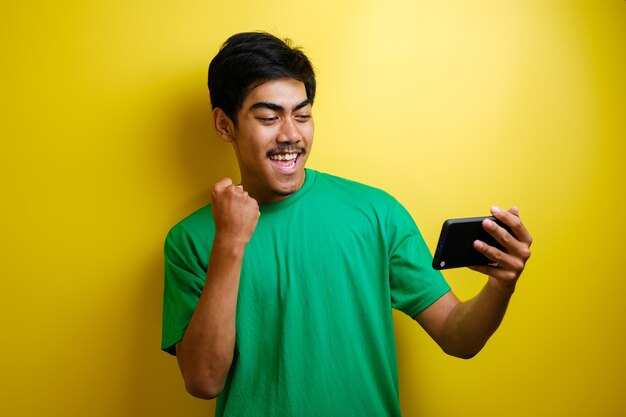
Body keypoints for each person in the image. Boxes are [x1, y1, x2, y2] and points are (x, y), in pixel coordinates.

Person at [161, 31, 532, 416]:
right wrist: (230, 244)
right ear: (225, 125)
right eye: (269, 117)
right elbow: (203, 381)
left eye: (302, 115)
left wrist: (501, 284)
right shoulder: (190, 240)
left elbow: (458, 336)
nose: (291, 135)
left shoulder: (376, 213)